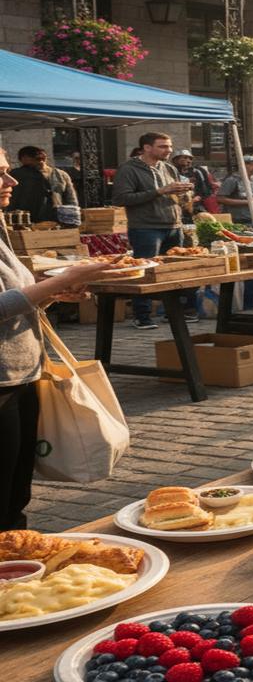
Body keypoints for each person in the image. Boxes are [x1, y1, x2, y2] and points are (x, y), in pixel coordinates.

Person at [0, 146, 116, 529]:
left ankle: (15, 568)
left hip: (23, 373)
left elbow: (14, 295)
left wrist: (53, 292)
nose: (11, 180)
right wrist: (63, 280)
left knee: (16, 492)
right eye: (0, 173)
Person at [111, 132, 197, 329]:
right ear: (147, 148)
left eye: (169, 146)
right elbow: (121, 199)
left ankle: (172, 313)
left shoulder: (169, 168)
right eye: (163, 146)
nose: (169, 150)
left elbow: (176, 197)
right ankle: (142, 316)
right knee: (145, 271)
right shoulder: (128, 169)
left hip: (174, 226)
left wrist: (185, 193)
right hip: (145, 228)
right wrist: (160, 191)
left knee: (172, 271)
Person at [5, 145, 77, 223]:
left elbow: (71, 199)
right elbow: (10, 199)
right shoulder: (17, 175)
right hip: (27, 220)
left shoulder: (61, 175)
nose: (40, 162)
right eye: (35, 158)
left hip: (56, 220)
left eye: (41, 158)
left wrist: (72, 219)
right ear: (23, 159)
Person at [217, 154, 253, 225]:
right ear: (243, 165)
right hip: (238, 220)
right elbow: (220, 199)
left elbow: (251, 195)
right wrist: (248, 202)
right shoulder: (232, 180)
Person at [170, 148, 215, 222]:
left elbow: (206, 191)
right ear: (175, 160)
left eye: (190, 158)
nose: (188, 160)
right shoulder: (168, 171)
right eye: (184, 158)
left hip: (195, 205)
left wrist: (196, 198)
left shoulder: (197, 172)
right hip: (173, 206)